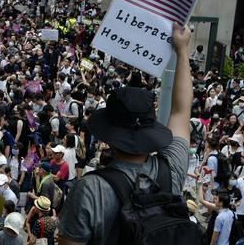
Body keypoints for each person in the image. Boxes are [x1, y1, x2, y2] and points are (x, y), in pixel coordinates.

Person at [57, 23, 193, 244]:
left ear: (109, 137)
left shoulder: (90, 189)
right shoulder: (173, 167)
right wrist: (183, 51)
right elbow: (181, 110)